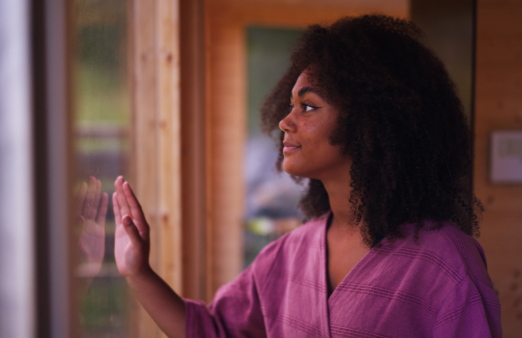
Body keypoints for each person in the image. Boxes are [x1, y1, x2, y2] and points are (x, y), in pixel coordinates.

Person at [112, 14, 502, 337]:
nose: (285, 121)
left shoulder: (447, 265)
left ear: (372, 122)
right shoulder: (288, 254)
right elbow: (215, 330)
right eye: (290, 104)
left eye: (309, 106)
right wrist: (138, 272)